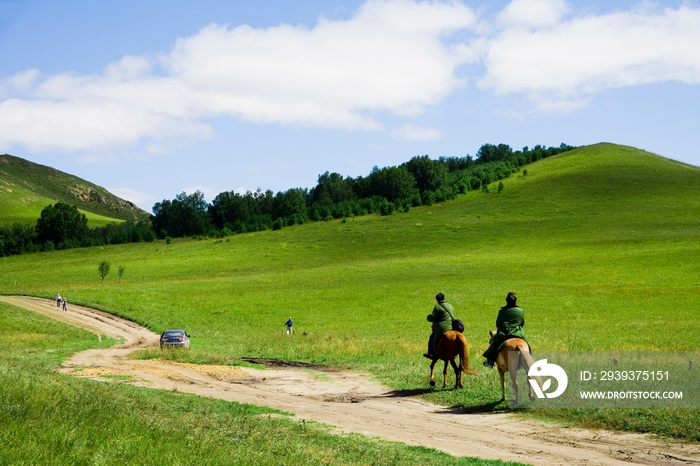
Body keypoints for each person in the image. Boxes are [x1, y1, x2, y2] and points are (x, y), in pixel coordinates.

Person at [482, 292, 527, 369]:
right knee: (527, 345)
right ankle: (529, 359)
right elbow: (522, 322)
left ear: (507, 301)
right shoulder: (520, 311)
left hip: (504, 333)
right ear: (515, 301)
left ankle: (490, 362)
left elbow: (498, 323)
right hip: (518, 333)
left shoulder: (502, 311)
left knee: (494, 344)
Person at [423, 293, 456, 359]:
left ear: (437, 300)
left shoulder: (437, 307)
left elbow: (434, 318)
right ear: (444, 298)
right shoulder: (450, 305)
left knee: (432, 338)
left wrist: (429, 317)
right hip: (452, 327)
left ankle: (431, 353)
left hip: (443, 328)